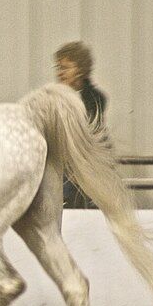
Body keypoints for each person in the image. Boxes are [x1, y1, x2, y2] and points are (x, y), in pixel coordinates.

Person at [54, 41, 107, 208]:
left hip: (83, 163)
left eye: (65, 68)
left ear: (80, 70)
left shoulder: (95, 98)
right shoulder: (54, 97)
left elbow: (87, 132)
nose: (60, 73)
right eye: (58, 68)